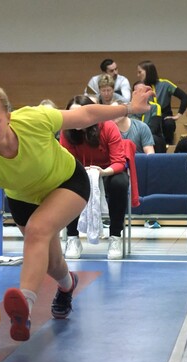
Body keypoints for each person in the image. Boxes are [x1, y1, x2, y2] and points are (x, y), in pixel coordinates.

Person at [0, 79, 152, 341]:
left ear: (8, 116)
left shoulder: (32, 119)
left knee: (37, 232)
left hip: (67, 182)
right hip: (25, 200)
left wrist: (130, 108)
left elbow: (84, 115)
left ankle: (24, 309)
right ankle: (67, 285)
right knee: (51, 263)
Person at [60, 95, 130, 260]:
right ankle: (72, 238)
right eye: (71, 115)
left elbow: (119, 162)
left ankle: (115, 237)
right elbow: (65, 160)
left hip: (107, 171)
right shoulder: (66, 132)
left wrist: (102, 172)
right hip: (79, 171)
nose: (75, 120)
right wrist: (83, 172)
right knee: (66, 183)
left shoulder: (108, 126)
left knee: (120, 183)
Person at [137, 60, 187, 146]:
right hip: (149, 118)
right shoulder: (139, 87)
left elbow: (185, 97)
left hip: (164, 117)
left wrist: (178, 115)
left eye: (140, 72)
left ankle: (168, 145)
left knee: (169, 123)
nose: (138, 75)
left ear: (148, 72)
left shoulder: (165, 84)